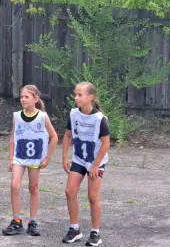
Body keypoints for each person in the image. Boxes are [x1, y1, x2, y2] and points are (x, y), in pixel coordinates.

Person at [2, 85, 58, 236]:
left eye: (27, 97)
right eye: (21, 97)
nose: (23, 99)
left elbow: (54, 137)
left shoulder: (42, 116)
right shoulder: (17, 116)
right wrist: (10, 158)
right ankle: (16, 221)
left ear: (36, 99)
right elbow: (13, 138)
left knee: (33, 188)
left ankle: (32, 222)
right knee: (14, 185)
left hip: (35, 158)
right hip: (19, 157)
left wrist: (47, 158)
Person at [61, 81, 110, 246]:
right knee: (69, 191)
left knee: (93, 196)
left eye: (80, 94)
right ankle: (75, 229)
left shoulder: (100, 119)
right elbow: (67, 136)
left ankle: (95, 232)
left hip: (96, 161)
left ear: (91, 97)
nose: (76, 97)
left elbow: (106, 144)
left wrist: (96, 165)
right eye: (75, 94)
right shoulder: (74, 114)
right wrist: (64, 157)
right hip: (79, 159)